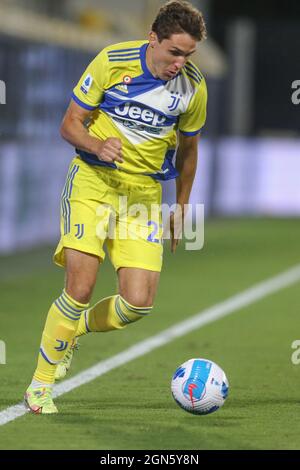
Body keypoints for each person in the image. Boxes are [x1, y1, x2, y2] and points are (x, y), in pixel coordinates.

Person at [24, 0, 207, 414]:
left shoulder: (193, 87)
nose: (180, 63)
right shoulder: (113, 61)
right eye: (174, 52)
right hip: (93, 183)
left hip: (143, 197)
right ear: (153, 39)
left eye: (188, 55)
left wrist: (181, 205)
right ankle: (40, 385)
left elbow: (189, 151)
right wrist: (95, 144)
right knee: (80, 289)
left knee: (138, 303)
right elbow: (69, 123)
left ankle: (72, 333)